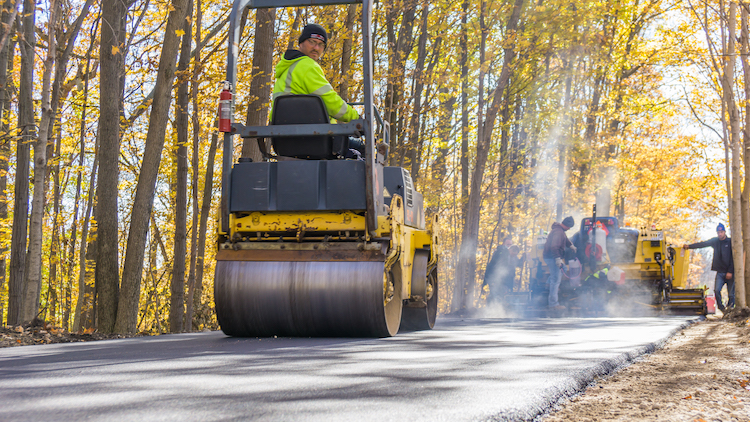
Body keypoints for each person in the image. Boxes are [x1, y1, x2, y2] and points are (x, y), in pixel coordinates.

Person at [272, 24, 364, 157]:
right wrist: (357, 119)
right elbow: (331, 102)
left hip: (285, 140)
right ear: (301, 42)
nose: (316, 48)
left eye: (321, 45)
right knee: (363, 151)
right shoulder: (307, 66)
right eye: (312, 42)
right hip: (315, 139)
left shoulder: (287, 68)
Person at [682, 223, 734, 313]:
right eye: (718, 232)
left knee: (732, 295)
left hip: (730, 272)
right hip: (720, 272)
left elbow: (735, 258)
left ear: (725, 232)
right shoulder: (715, 241)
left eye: (721, 232)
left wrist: (730, 271)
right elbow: (703, 244)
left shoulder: (730, 242)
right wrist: (689, 246)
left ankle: (730, 311)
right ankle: (722, 309)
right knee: (717, 290)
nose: (720, 234)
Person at [543, 216, 577, 310]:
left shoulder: (560, 230)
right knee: (556, 280)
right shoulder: (558, 232)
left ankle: (548, 283)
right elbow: (554, 247)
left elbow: (565, 239)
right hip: (552, 257)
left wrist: (571, 246)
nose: (569, 229)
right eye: (570, 227)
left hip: (551, 257)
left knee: (564, 269)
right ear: (567, 225)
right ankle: (553, 304)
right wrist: (557, 259)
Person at [483, 237, 513, 304]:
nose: (509, 246)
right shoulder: (499, 251)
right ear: (503, 244)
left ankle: (499, 310)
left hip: (504, 280)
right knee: (495, 295)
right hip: (495, 278)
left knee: (502, 296)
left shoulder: (511, 254)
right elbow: (492, 265)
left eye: (510, 245)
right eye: (508, 244)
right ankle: (491, 310)